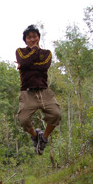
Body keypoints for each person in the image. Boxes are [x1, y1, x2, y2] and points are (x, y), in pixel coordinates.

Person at [15, 25, 61, 155]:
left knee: (56, 114)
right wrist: (32, 54)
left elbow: (44, 66)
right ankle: (35, 135)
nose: (32, 39)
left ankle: (44, 138)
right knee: (23, 120)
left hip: (44, 91)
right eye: (29, 37)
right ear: (25, 40)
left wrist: (26, 64)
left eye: (35, 36)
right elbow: (24, 62)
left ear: (39, 38)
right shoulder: (20, 52)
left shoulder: (46, 53)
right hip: (27, 92)